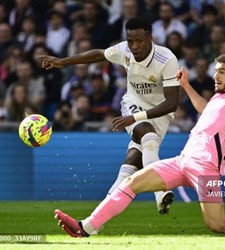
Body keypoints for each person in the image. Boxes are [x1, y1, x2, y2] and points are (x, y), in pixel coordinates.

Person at [54, 54, 225, 237]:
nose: (216, 75)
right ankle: (86, 227)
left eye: (222, 71)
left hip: (207, 168)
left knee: (218, 225)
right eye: (216, 70)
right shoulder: (220, 97)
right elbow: (206, 111)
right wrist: (186, 86)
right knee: (133, 182)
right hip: (183, 160)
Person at [40, 17, 180, 214]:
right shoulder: (125, 50)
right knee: (147, 136)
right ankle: (160, 193)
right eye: (130, 41)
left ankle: (94, 220)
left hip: (161, 112)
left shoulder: (167, 60)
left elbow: (171, 103)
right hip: (133, 104)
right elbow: (99, 54)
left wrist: (136, 118)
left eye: (139, 41)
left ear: (151, 38)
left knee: (131, 166)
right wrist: (63, 62)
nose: (134, 46)